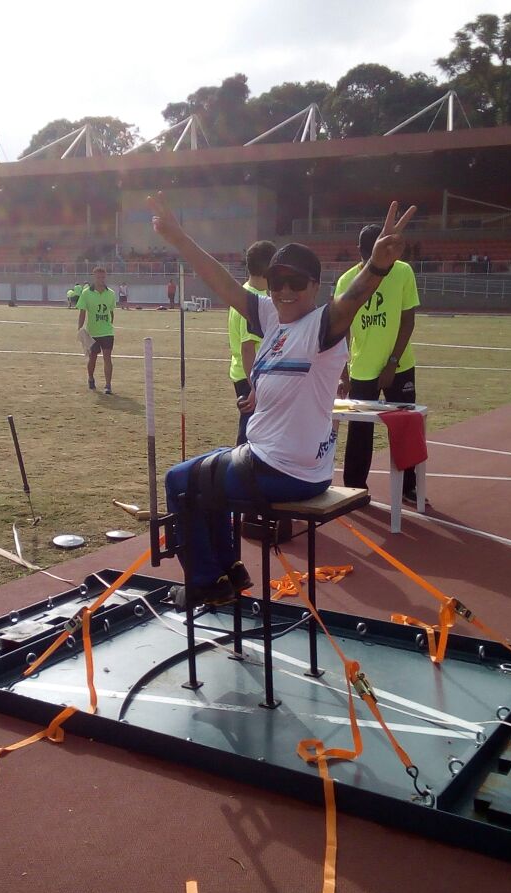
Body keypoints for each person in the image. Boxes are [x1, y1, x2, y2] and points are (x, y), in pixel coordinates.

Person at [149, 192, 417, 608]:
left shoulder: (321, 327)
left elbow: (353, 299)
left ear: (315, 286)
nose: (286, 291)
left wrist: (377, 266)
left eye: (297, 283)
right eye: (278, 284)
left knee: (178, 480)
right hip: (275, 458)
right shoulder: (272, 317)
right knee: (208, 473)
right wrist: (180, 239)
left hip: (284, 469)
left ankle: (205, 579)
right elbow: (221, 281)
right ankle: (229, 571)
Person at [336, 223, 421, 498]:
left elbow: (408, 319)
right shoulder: (347, 280)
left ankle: (409, 487)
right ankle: (354, 488)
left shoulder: (403, 272)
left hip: (400, 366)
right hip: (362, 369)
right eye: (367, 258)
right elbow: (342, 327)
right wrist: (343, 371)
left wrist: (393, 362)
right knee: (360, 432)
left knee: (406, 429)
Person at [227, 240, 275, 444]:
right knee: (249, 433)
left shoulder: (248, 292)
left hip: (247, 374)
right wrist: (254, 386)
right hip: (249, 377)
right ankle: (240, 473)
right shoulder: (253, 300)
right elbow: (248, 348)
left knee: (255, 429)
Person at [77, 266, 117, 394]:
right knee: (92, 357)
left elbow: (111, 312)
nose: (101, 279)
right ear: (94, 277)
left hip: (107, 332)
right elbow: (82, 312)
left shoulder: (111, 293)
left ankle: (108, 385)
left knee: (107, 357)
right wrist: (80, 328)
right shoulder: (86, 293)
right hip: (92, 332)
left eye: (103, 277)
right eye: (98, 277)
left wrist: (109, 324)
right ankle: (90, 378)